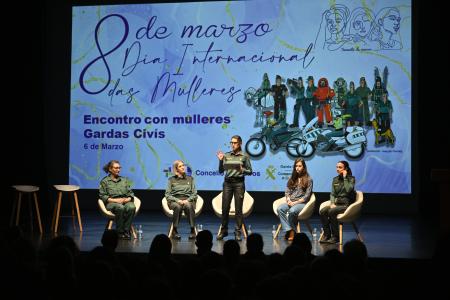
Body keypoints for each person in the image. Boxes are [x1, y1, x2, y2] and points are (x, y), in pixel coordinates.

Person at [216, 135, 253, 241]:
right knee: (225, 208)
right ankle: (224, 231)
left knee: (238, 209)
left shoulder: (244, 156)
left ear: (240, 143)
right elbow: (220, 171)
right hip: (227, 183)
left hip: (239, 184)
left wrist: (243, 170)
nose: (233, 144)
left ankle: (237, 232)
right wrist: (220, 160)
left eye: (235, 142)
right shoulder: (226, 155)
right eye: (231, 142)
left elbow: (250, 171)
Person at [319, 160, 356, 244]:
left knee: (332, 211)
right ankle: (327, 235)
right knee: (323, 211)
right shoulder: (335, 179)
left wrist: (345, 177)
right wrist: (332, 203)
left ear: (345, 168)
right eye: (337, 167)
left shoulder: (351, 179)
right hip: (336, 204)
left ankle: (336, 237)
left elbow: (348, 190)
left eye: (340, 167)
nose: (338, 169)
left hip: (346, 204)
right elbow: (332, 194)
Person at [277, 158, 313, 241]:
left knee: (292, 211)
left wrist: (295, 202)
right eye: (296, 166)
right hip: (291, 201)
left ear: (303, 167)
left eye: (299, 166)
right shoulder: (292, 178)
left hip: (301, 203)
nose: (297, 168)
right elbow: (287, 191)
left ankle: (292, 232)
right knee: (280, 208)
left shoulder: (309, 179)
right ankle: (289, 230)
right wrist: (288, 199)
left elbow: (307, 196)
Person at [99, 160, 136, 239]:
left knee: (131, 207)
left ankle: (126, 230)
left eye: (119, 168)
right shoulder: (105, 181)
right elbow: (103, 196)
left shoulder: (124, 180)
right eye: (116, 168)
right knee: (120, 207)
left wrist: (128, 199)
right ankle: (120, 232)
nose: (118, 170)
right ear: (110, 169)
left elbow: (131, 194)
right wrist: (116, 201)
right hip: (112, 203)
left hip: (124, 201)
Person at [165, 160, 198, 240]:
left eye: (183, 165)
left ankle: (192, 230)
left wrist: (188, 200)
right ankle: (175, 230)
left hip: (187, 200)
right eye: (180, 166)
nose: (183, 167)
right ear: (176, 169)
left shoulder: (190, 179)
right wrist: (177, 200)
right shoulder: (171, 180)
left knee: (189, 206)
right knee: (178, 207)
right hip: (175, 201)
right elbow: (167, 194)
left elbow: (194, 193)